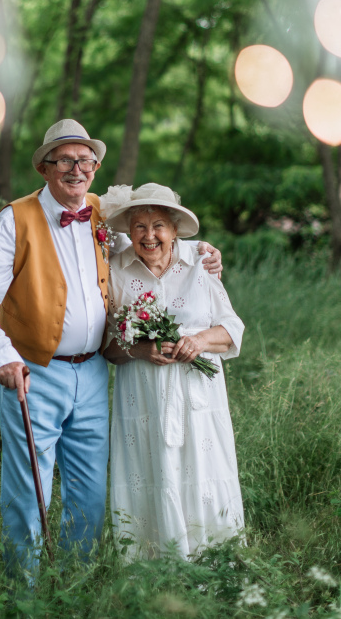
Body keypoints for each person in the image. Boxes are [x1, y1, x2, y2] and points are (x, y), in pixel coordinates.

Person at [0, 120, 222, 578]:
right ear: (45, 167)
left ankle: (74, 585)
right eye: (64, 160)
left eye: (85, 160)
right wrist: (1, 356)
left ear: (96, 168)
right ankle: (25, 594)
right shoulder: (14, 219)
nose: (76, 169)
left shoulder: (103, 214)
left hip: (95, 372)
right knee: (29, 490)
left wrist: (202, 250)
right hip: (34, 372)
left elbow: (150, 239)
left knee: (88, 490)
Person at [102, 183, 244, 561]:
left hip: (197, 395)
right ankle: (152, 567)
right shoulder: (115, 269)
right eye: (140, 227)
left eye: (159, 225)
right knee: (150, 471)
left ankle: (213, 562)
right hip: (143, 393)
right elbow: (108, 347)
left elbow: (232, 329)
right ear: (127, 232)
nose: (150, 236)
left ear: (175, 229)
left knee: (202, 470)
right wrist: (141, 348)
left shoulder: (201, 262)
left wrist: (197, 342)